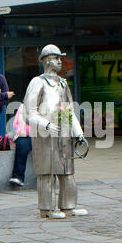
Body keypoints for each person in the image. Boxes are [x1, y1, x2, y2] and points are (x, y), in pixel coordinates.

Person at [24, 44, 88, 219]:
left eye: (60, 58)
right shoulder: (37, 82)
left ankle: (68, 206)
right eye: (55, 57)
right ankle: (47, 208)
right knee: (47, 173)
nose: (60, 61)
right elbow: (28, 113)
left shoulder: (62, 83)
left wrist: (79, 132)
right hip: (44, 135)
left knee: (67, 171)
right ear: (45, 61)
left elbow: (69, 110)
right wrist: (45, 125)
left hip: (63, 134)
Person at [9, 104, 32, 187]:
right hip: (24, 134)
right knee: (22, 145)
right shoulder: (23, 107)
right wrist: (21, 131)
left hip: (39, 135)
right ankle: (18, 177)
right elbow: (16, 123)